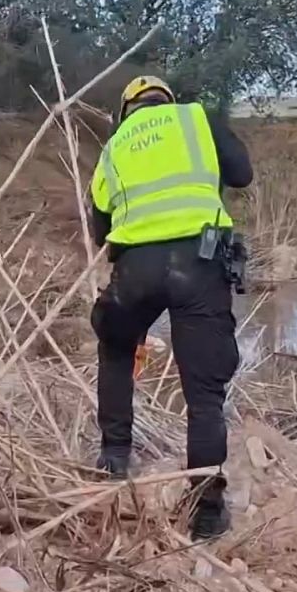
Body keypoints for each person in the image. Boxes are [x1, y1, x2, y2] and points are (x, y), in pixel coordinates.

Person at [88, 74, 253, 540]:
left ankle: (114, 457)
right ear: (167, 101)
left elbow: (101, 230)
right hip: (198, 265)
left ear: (126, 110)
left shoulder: (114, 146)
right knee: (203, 394)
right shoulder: (196, 117)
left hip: (135, 268)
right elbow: (241, 173)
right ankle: (205, 509)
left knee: (116, 348)